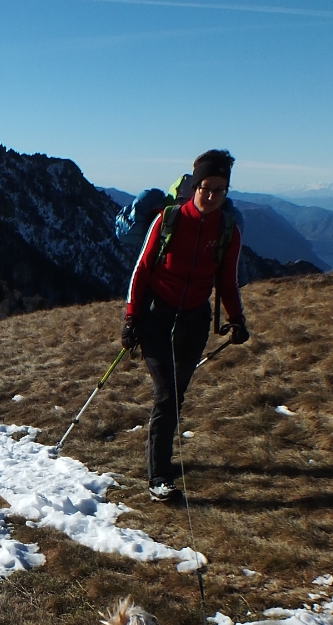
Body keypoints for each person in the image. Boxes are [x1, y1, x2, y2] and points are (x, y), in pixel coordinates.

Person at [120, 149, 249, 502]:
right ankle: (159, 476)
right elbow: (142, 271)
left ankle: (159, 461)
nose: (211, 196)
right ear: (195, 184)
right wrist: (132, 317)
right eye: (206, 187)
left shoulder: (227, 231)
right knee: (167, 395)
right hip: (157, 318)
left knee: (175, 395)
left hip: (194, 321)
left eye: (219, 190)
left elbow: (227, 281)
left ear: (226, 191)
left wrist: (236, 319)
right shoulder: (168, 220)